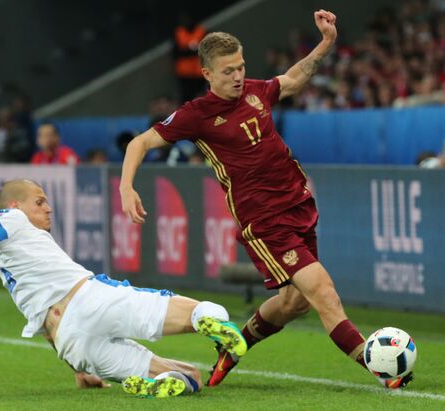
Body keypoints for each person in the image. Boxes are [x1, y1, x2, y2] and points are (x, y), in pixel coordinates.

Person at [119, 10, 412, 390]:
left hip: (298, 205)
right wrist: (127, 187)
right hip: (264, 220)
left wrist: (325, 44)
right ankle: (383, 370)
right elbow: (139, 143)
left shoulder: (257, 90)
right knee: (322, 291)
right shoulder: (196, 115)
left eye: (240, 67)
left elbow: (292, 79)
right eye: (227, 71)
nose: (238, 76)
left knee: (295, 303)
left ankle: (235, 346)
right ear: (207, 74)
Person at [0, 179, 247, 398]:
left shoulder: (13, 273)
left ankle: (161, 382)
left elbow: (45, 327)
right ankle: (211, 321)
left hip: (72, 345)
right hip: (91, 300)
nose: (48, 207)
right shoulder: (11, 219)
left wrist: (78, 369)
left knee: (191, 378)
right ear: (14, 207)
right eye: (40, 201)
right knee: (199, 311)